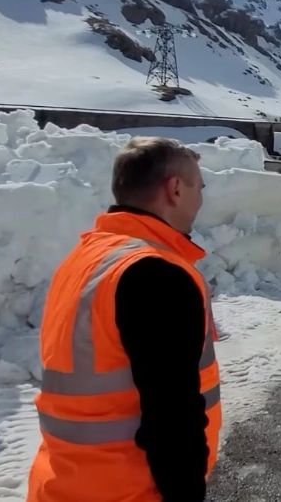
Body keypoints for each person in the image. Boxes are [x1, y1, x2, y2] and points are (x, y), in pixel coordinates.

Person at [27, 137, 221, 502]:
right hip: (129, 489)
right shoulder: (156, 274)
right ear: (175, 189)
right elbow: (171, 418)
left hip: (62, 483)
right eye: (200, 186)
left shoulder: (88, 257)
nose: (202, 198)